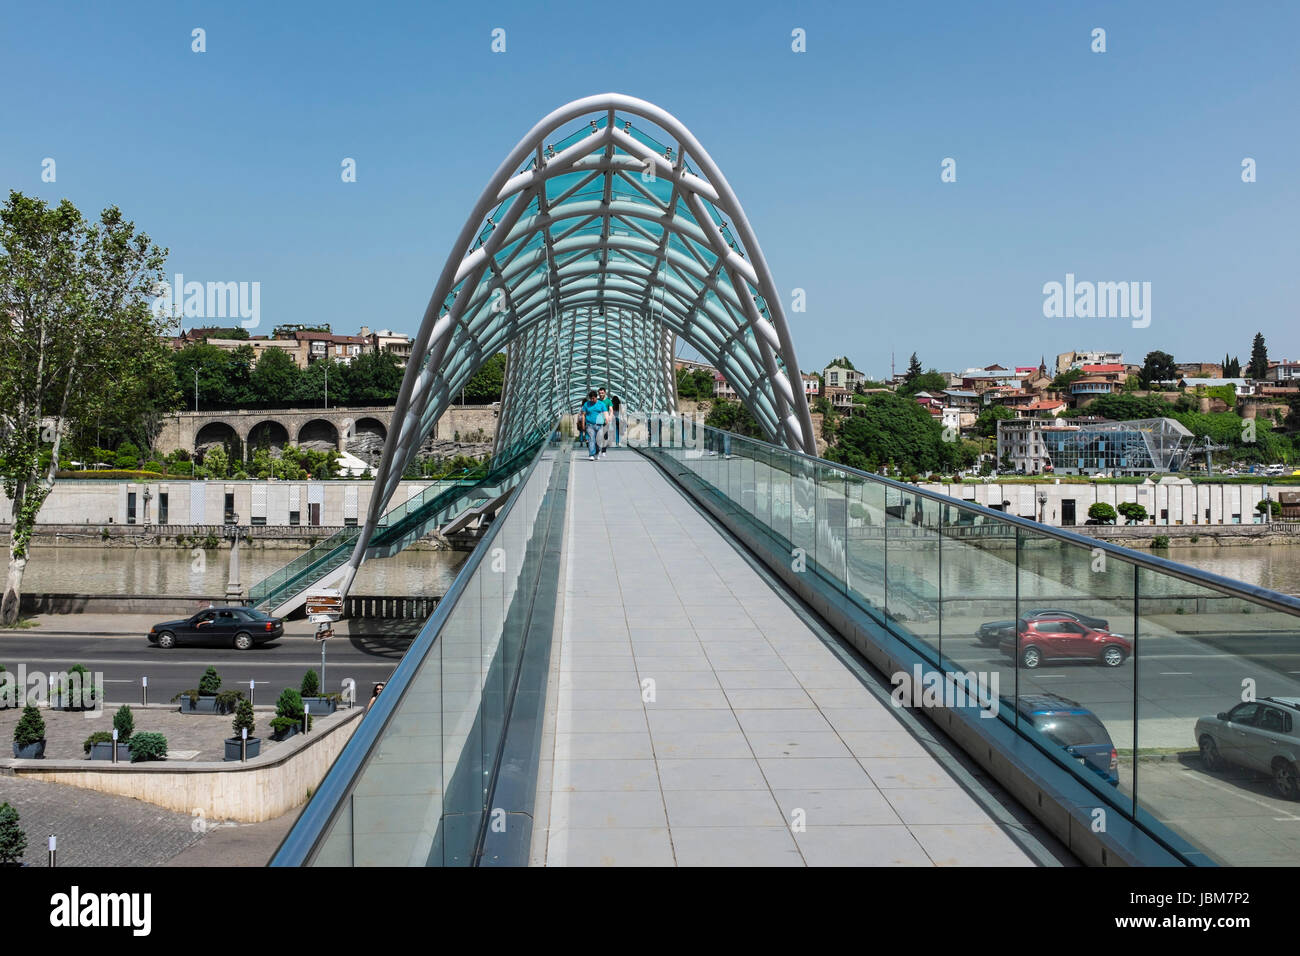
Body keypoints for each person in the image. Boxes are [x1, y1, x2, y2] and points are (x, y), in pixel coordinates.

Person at [581, 389, 606, 461]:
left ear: (596, 397)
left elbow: (605, 413)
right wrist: (583, 425)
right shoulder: (586, 404)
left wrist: (606, 420)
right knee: (592, 439)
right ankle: (591, 454)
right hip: (589, 425)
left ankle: (597, 453)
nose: (592, 400)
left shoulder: (601, 404)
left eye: (593, 398)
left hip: (599, 425)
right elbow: (583, 415)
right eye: (591, 398)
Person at [596, 387, 611, 458]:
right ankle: (598, 450)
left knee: (605, 436)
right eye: (599, 393)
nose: (601, 394)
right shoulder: (597, 401)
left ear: (605, 393)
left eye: (602, 393)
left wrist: (610, 417)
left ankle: (604, 451)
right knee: (598, 436)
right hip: (598, 420)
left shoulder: (608, 401)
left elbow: (611, 410)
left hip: (606, 420)